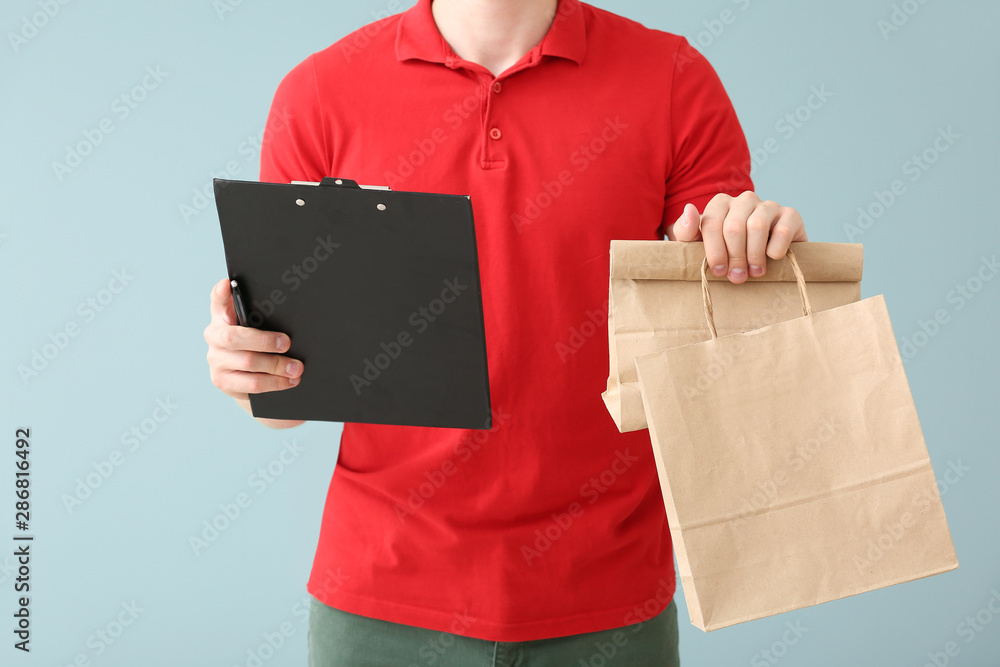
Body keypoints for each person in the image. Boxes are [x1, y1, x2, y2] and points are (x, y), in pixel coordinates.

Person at [204, 0, 808, 664]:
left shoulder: (672, 79)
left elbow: (716, 342)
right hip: (383, 604)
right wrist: (249, 375)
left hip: (608, 602)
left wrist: (755, 246)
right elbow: (287, 399)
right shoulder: (320, 92)